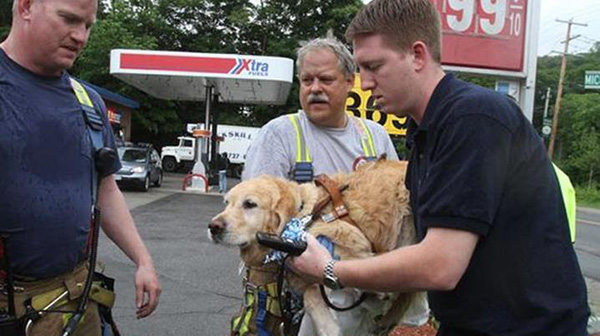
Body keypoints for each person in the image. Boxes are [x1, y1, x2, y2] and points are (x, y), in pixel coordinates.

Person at [289, 0, 590, 335]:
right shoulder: (425, 132)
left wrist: (330, 268)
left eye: (374, 66)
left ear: (418, 55)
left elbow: (440, 265)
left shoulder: (473, 118)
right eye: (361, 69)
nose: (366, 82)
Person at [243, 36, 430, 335]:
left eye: (325, 79)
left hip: (371, 294)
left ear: (349, 82)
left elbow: (402, 210)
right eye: (306, 80)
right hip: (301, 296)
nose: (314, 88)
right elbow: (254, 226)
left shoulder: (375, 136)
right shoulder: (279, 135)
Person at [0, 0, 161, 335]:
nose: (81, 36)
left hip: (75, 302)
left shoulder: (87, 102)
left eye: (88, 25)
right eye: (69, 19)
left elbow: (106, 188)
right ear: (26, 6)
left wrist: (143, 260)